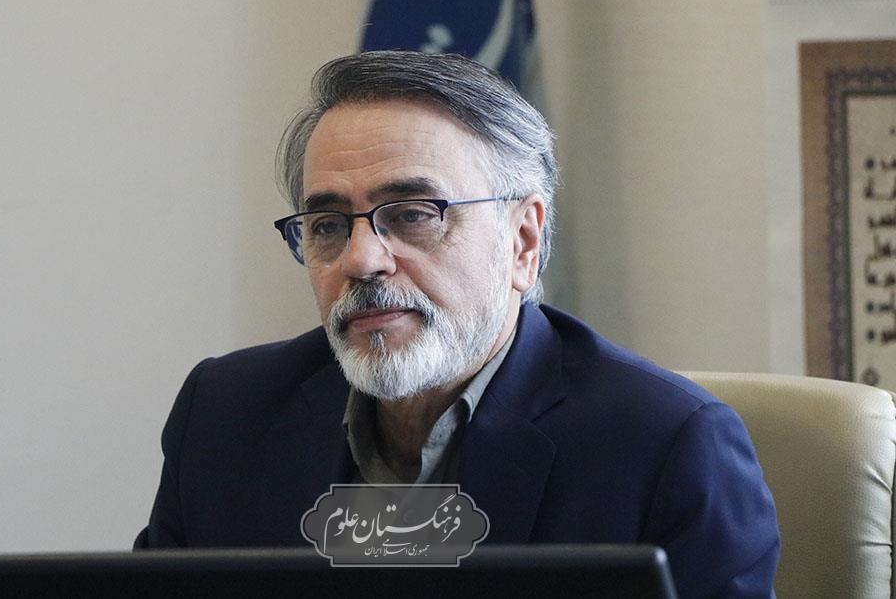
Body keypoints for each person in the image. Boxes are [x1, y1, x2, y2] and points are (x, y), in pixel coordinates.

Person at [135, 50, 779, 596]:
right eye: (328, 226)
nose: (361, 259)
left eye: (413, 214)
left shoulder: (663, 445)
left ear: (522, 241)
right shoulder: (225, 415)